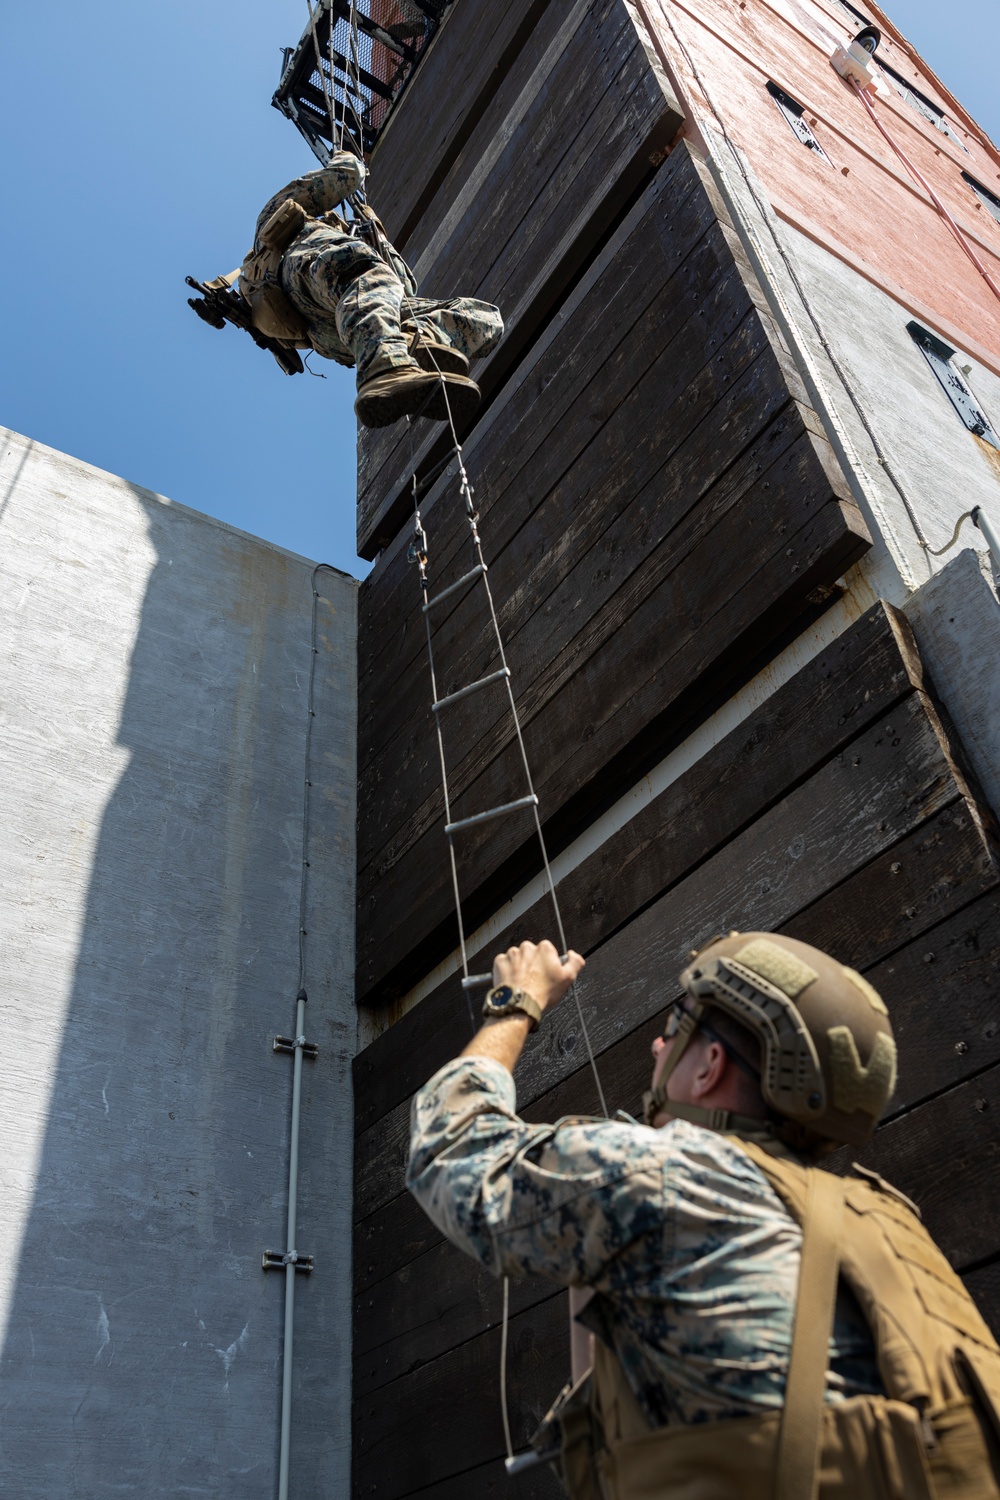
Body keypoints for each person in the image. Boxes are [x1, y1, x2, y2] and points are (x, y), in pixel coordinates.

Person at [407, 932, 1000, 1498]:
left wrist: (517, 1002)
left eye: (674, 1028)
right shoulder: (888, 1225)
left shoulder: (669, 1175)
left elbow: (450, 1146)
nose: (657, 1046)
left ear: (711, 1063)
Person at [243, 150, 503, 427]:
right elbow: (347, 174)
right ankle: (385, 369)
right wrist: (347, 157)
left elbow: (403, 287)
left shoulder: (363, 248)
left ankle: (415, 340)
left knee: (485, 319)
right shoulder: (271, 221)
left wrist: (377, 237)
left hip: (343, 335)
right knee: (366, 273)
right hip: (307, 276)